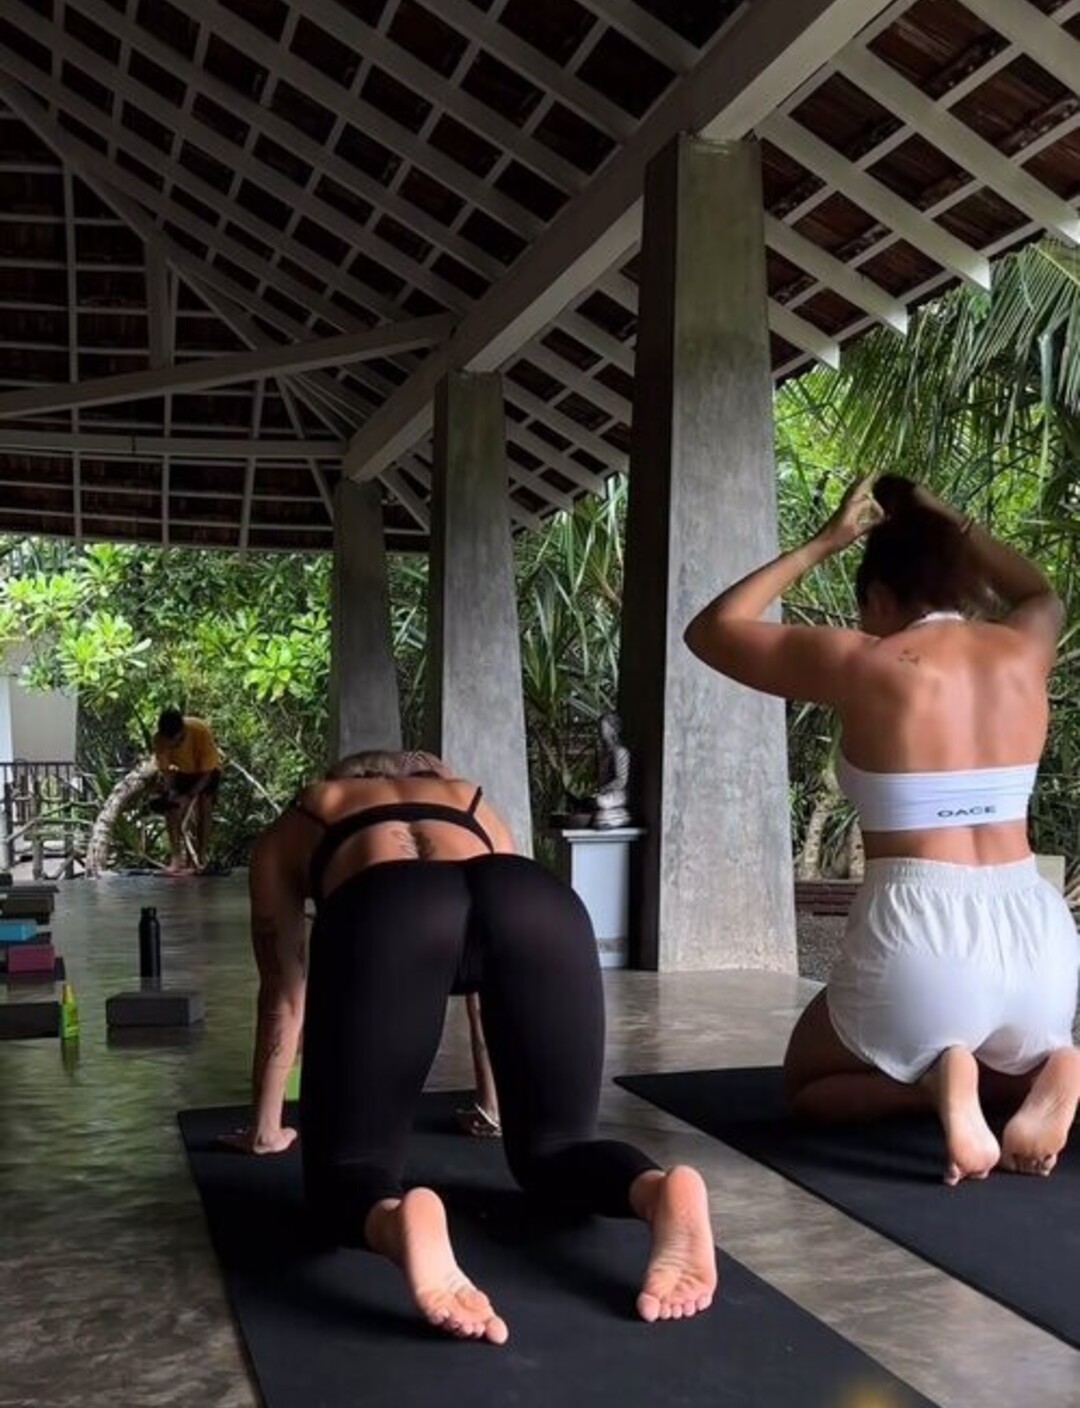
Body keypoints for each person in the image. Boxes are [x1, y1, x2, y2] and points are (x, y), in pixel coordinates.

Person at [226, 747, 717, 1342]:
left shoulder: (305, 814)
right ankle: (658, 1191)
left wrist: (266, 1129)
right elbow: (494, 983)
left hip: (388, 909)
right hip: (536, 901)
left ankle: (400, 1219)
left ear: (345, 778)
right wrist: (491, 1107)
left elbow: (284, 992)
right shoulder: (472, 800)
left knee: (348, 1173)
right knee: (556, 1150)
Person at [684, 474, 1080, 1184]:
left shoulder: (866, 662)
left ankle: (936, 1081)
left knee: (809, 1081)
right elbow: (1038, 592)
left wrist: (824, 542)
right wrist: (942, 516)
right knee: (1001, 1040)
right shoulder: (1025, 648)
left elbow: (712, 631)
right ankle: (1039, 1070)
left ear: (878, 598)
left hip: (920, 938)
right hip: (1039, 940)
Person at [150, 707, 223, 874]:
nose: (172, 745)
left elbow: (207, 773)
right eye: (169, 741)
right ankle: (176, 859)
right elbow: (166, 770)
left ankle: (201, 857)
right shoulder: (159, 739)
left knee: (204, 807)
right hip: (182, 771)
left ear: (182, 731)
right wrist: (170, 792)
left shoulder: (200, 730)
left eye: (176, 741)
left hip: (207, 772)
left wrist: (189, 796)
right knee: (172, 808)